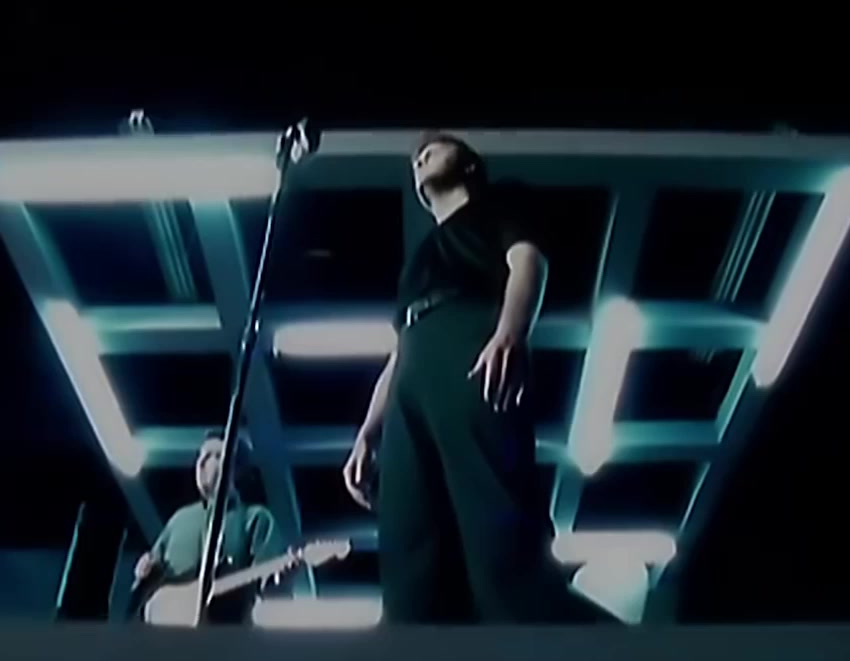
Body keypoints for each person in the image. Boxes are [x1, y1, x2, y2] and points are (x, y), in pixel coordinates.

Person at [342, 133, 611, 624]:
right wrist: (369, 429)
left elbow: (526, 262)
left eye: (436, 146)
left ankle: (555, 632)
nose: (420, 154)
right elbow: (399, 349)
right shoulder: (419, 259)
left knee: (495, 518)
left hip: (469, 339)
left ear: (469, 165)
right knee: (408, 536)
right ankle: (415, 639)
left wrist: (510, 331)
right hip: (414, 362)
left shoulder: (501, 202)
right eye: (416, 156)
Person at [123, 430, 285, 623]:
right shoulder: (178, 520)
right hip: (165, 634)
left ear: (234, 468)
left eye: (213, 456)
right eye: (201, 456)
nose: (200, 463)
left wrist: (278, 580)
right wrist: (144, 574)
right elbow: (146, 592)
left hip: (227, 632)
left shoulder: (255, 519)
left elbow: (270, 587)